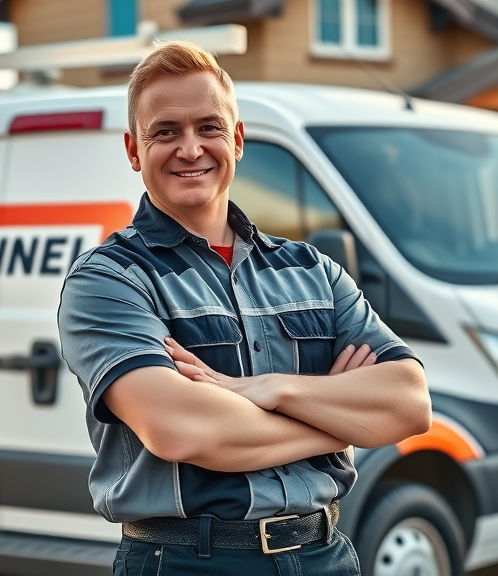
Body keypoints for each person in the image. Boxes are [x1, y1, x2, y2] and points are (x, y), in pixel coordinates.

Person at [58, 40, 431, 575]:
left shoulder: (313, 271)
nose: (190, 149)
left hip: (324, 555)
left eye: (208, 127)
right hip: (188, 561)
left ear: (236, 140)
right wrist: (342, 422)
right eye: (165, 132)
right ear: (134, 150)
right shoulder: (109, 279)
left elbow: (408, 404)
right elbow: (182, 430)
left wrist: (270, 389)